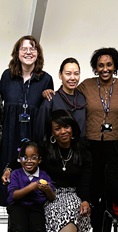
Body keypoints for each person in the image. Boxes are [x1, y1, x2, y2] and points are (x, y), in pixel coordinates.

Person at [76, 47, 118, 232]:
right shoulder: (86, 86)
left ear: (115, 65)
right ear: (95, 67)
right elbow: (67, 94)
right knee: (93, 191)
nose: (105, 68)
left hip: (115, 146)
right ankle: (93, 231)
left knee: (110, 191)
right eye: (100, 65)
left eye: (109, 64)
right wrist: (49, 92)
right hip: (90, 146)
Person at [42, 109, 92, 232]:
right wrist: (8, 169)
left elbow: (86, 180)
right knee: (64, 212)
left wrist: (86, 199)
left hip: (75, 195)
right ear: (52, 132)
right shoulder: (45, 149)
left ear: (72, 128)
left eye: (66, 126)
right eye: (58, 128)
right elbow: (22, 158)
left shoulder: (82, 149)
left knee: (75, 210)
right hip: (51, 196)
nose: (63, 131)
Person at [0, 35, 54, 205]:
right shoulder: (6, 76)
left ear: (38, 53)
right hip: (9, 135)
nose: (28, 52)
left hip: (32, 136)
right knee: (7, 185)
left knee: (30, 187)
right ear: (17, 53)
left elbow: (48, 110)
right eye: (24, 48)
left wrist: (47, 95)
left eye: (33, 48)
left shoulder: (46, 79)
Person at [6, 140, 62, 232]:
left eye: (33, 157)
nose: (29, 161)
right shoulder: (17, 174)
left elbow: (52, 197)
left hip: (36, 208)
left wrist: (47, 189)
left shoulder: (44, 176)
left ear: (39, 159)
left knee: (39, 229)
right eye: (25, 157)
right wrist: (31, 187)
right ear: (20, 159)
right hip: (18, 206)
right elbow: (14, 195)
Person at [36, 57, 86, 142]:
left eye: (76, 74)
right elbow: (40, 133)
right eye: (68, 74)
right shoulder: (51, 99)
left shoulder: (83, 99)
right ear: (60, 75)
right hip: (56, 151)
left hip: (79, 151)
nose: (73, 78)